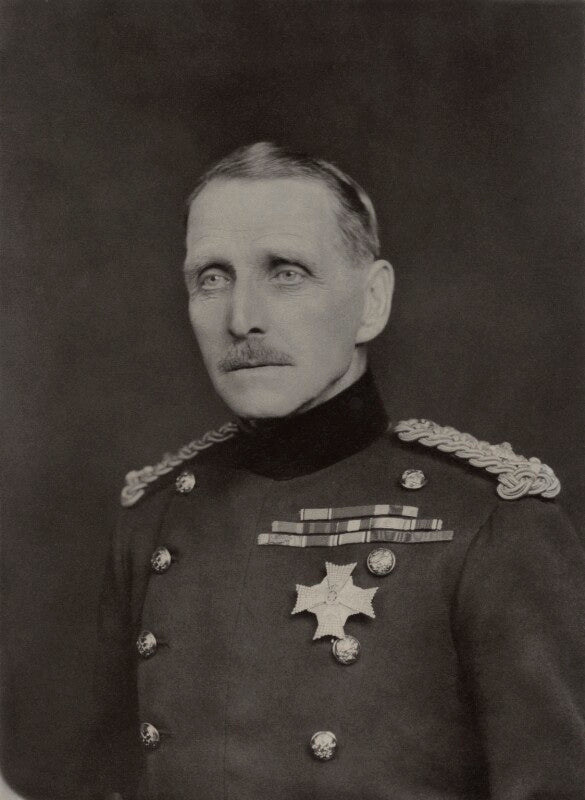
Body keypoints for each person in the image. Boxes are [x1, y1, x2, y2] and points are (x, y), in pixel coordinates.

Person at [89, 142, 585, 800]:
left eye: (286, 272)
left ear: (371, 301)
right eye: (211, 278)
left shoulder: (491, 525)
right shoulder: (155, 519)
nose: (242, 319)